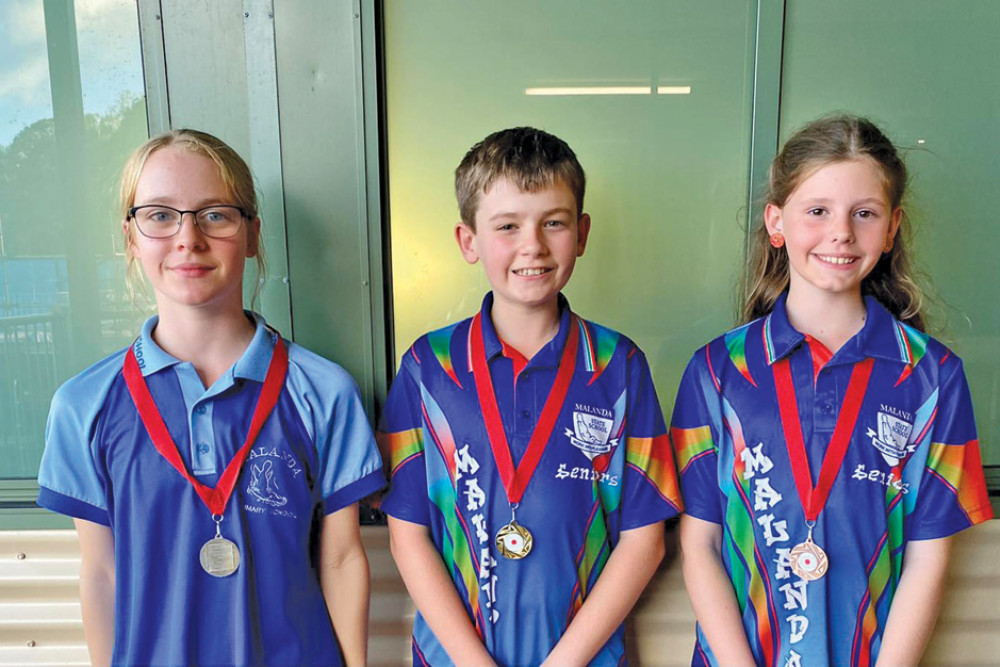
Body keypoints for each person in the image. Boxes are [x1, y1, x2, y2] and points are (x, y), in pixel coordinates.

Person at [36, 130, 384, 667]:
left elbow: (340, 559)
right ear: (130, 238)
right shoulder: (84, 405)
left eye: (215, 214)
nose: (188, 238)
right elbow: (101, 574)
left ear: (251, 235)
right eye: (159, 215)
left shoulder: (323, 391)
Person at [671, 114, 993, 667]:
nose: (841, 232)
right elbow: (699, 545)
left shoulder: (934, 376)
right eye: (817, 211)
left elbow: (928, 559)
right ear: (777, 223)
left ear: (892, 228)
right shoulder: (716, 370)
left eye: (863, 214)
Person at [378, 126, 683, 666]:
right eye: (507, 226)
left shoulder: (620, 367)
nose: (533, 246)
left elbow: (645, 541)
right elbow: (407, 536)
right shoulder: (427, 366)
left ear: (582, 233)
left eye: (554, 223)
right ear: (468, 241)